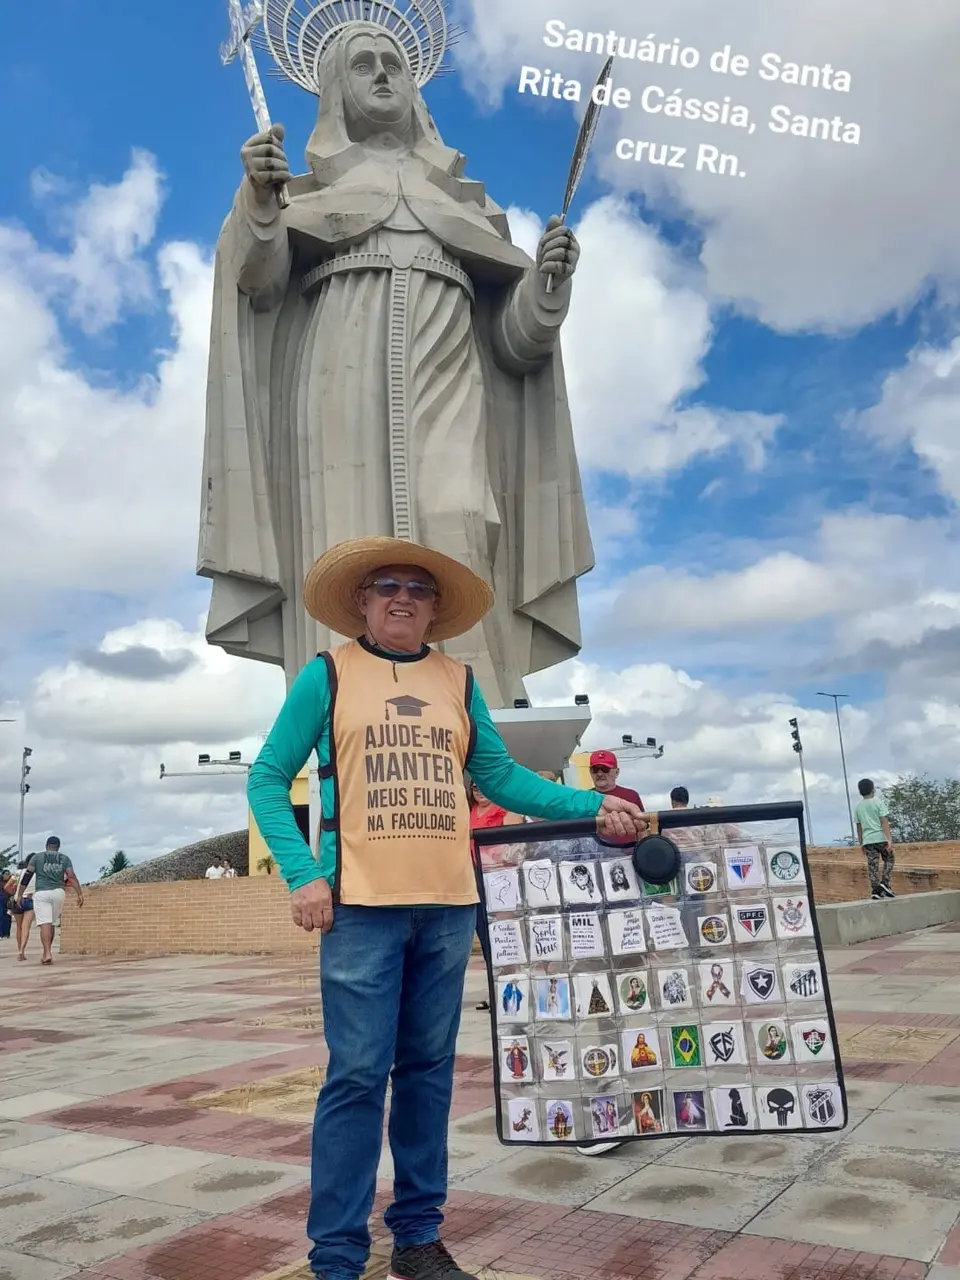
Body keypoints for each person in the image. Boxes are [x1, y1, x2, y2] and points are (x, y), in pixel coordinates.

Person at [247, 536, 646, 1280]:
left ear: (434, 610)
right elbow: (268, 778)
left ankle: (418, 1238)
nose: (402, 597)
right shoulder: (327, 675)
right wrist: (303, 874)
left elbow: (500, 778)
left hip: (449, 906)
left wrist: (594, 806)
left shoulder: (458, 681)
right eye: (386, 585)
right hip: (361, 907)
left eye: (418, 589)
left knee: (428, 1073)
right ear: (362, 602)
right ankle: (336, 1255)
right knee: (358, 1077)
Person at [468, 781, 523, 1012]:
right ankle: (494, 992)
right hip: (475, 879)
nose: (479, 788)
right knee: (486, 940)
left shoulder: (505, 809)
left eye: (483, 784)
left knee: (504, 938)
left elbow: (513, 846)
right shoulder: (468, 811)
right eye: (474, 785)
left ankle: (514, 992)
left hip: (500, 880)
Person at [21, 838, 83, 965]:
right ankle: (47, 953)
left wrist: (20, 894)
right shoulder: (65, 858)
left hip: (42, 893)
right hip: (58, 893)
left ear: (46, 846)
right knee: (52, 923)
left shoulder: (37, 857)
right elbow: (70, 876)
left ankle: (47, 952)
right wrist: (79, 893)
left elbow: (27, 875)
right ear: (58, 847)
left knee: (45, 923)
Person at [854, 778, 895, 900]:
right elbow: (884, 821)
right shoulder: (878, 802)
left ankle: (875, 890)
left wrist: (861, 843)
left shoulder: (858, 807)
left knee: (873, 865)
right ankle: (885, 883)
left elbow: (859, 826)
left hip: (868, 840)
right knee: (889, 858)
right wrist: (889, 839)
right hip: (880, 837)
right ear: (873, 790)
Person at [9, 861, 35, 961]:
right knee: (26, 928)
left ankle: (19, 949)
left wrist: (14, 894)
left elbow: (7, 887)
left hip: (17, 901)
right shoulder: (37, 874)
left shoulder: (18, 873)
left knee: (19, 927)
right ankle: (22, 951)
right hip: (29, 901)